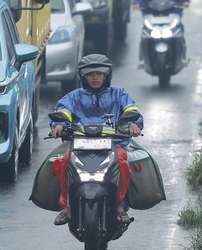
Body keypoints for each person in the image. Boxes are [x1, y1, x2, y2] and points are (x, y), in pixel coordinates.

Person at [50, 54, 144, 226]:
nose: (95, 77)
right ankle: (68, 207)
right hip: (80, 145)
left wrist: (133, 124)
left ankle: (119, 205)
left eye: (99, 73)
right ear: (83, 76)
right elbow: (62, 111)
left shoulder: (119, 94)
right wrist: (58, 125)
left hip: (114, 144)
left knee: (122, 162)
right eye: (90, 73)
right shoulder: (75, 96)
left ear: (106, 75)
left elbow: (131, 109)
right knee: (64, 162)